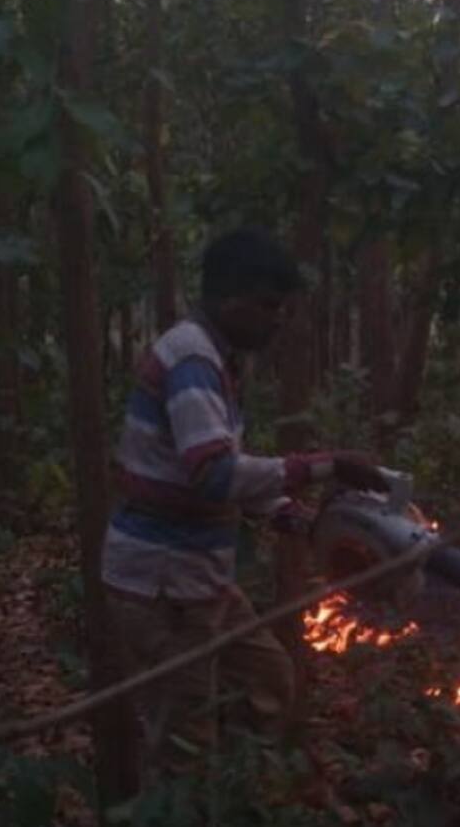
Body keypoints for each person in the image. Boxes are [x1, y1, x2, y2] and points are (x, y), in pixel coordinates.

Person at [102, 226, 388, 769]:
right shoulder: (191, 360)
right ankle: (196, 810)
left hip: (201, 578)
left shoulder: (217, 360)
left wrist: (298, 520)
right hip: (164, 586)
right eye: (268, 306)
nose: (277, 320)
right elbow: (214, 475)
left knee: (268, 680)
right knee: (185, 740)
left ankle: (234, 791)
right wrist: (327, 465)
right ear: (228, 298)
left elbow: (218, 474)